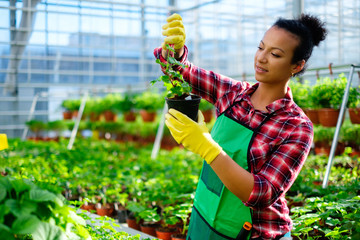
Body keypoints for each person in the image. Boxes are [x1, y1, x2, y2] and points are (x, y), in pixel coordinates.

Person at [154, 13, 327, 240]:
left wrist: (208, 148)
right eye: (261, 47)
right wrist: (173, 51)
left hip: (253, 233)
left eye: (275, 54)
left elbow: (262, 192)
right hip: (203, 219)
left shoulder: (296, 126)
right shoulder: (232, 93)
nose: (261, 58)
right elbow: (180, 71)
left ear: (297, 65)